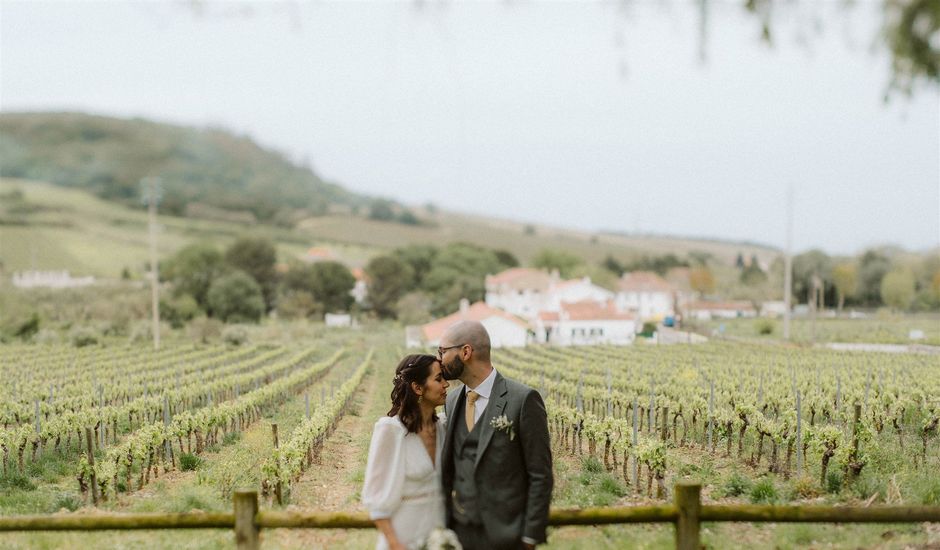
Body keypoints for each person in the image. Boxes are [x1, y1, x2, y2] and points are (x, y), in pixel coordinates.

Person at [439, 320, 553, 550]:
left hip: (507, 536)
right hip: (459, 533)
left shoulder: (522, 399)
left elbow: (540, 474)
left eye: (442, 351)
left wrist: (530, 537)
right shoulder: (451, 400)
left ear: (466, 351)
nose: (438, 359)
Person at [362, 354, 451, 550]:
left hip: (439, 537)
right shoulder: (391, 431)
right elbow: (376, 502)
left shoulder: (444, 427)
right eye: (438, 379)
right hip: (402, 538)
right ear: (418, 388)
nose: (446, 384)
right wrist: (396, 544)